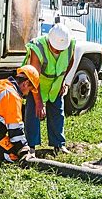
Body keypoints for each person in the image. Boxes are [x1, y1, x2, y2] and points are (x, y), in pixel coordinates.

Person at [24, 24, 75, 156]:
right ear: (49, 41)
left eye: (61, 49)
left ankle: (59, 145)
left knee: (58, 112)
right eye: (56, 49)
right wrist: (39, 102)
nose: (58, 51)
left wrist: (63, 81)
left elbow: (70, 62)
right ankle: (31, 147)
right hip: (35, 84)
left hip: (55, 85)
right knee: (33, 112)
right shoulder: (38, 47)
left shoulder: (70, 45)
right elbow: (34, 76)